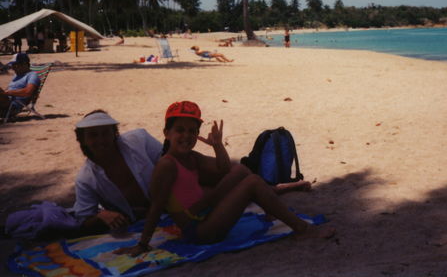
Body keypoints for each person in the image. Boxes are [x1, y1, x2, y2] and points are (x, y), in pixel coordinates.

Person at [117, 101, 334, 256]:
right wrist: (142, 244)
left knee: (239, 171)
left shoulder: (191, 157)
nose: (186, 136)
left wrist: (218, 145)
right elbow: (156, 206)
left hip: (205, 213)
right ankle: (302, 229)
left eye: (192, 131)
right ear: (166, 133)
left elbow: (223, 169)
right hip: (199, 231)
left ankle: (270, 205)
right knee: (253, 182)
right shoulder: (167, 165)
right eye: (179, 130)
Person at [73, 111, 163, 234]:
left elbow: (172, 162)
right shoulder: (85, 179)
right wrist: (101, 216)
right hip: (137, 227)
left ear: (114, 134)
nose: (100, 140)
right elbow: (83, 220)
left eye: (105, 133)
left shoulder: (140, 140)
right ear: (82, 140)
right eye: (93, 135)